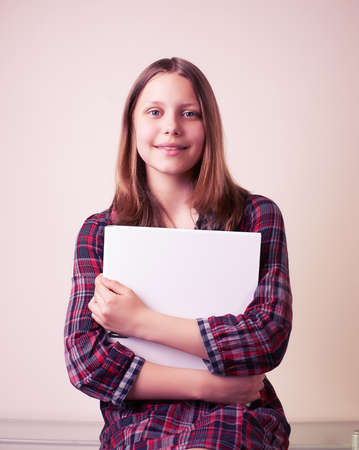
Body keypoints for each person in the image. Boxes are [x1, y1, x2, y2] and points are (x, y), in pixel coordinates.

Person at [64, 57, 293, 449]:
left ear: (209, 128)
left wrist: (139, 321)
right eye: (155, 111)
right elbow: (86, 362)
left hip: (239, 418)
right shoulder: (100, 231)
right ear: (132, 126)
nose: (171, 126)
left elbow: (266, 336)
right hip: (140, 423)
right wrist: (210, 386)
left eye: (190, 113)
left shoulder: (255, 214)